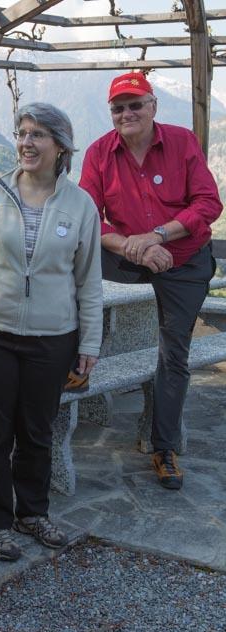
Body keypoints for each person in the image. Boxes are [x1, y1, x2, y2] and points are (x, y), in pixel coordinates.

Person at [0, 103, 103, 562]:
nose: (26, 143)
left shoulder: (81, 205)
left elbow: (88, 281)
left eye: (37, 135)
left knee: (36, 431)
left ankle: (32, 512)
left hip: (52, 338)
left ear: (61, 146)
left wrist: (90, 342)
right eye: (22, 133)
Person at [79, 71, 222, 491]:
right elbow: (88, 217)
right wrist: (132, 246)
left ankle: (164, 448)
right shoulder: (99, 153)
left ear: (153, 106)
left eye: (135, 104)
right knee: (68, 268)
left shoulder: (181, 142)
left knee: (173, 352)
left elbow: (208, 203)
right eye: (118, 108)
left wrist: (158, 236)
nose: (127, 113)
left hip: (183, 258)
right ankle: (76, 364)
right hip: (129, 255)